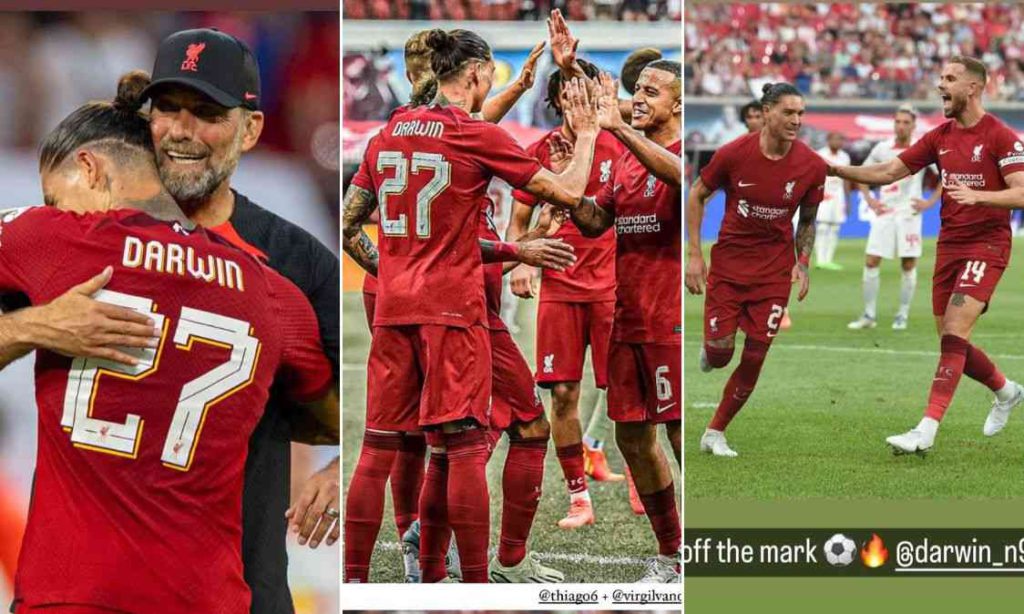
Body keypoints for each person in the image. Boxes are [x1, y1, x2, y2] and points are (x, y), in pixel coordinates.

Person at [4, 72, 336, 614]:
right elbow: (333, 417)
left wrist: (33, 327)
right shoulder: (273, 291)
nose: (54, 210)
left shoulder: (52, 238)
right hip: (208, 599)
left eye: (54, 196)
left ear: (88, 169)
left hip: (75, 598)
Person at [341, 28, 599, 583]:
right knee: (459, 448)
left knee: (379, 447)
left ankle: (363, 582)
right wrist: (592, 134)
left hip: (392, 306)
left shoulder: (387, 134)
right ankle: (479, 581)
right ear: (479, 74)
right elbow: (572, 193)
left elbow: (348, 223)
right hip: (454, 312)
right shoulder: (469, 134)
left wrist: (398, 273)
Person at [830, 56, 1024, 453]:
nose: (941, 85)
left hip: (987, 244)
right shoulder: (939, 137)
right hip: (949, 245)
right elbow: (888, 172)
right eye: (940, 77)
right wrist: (835, 171)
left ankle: (926, 429)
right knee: (952, 342)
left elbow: (1022, 190)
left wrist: (980, 196)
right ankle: (1007, 391)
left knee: (954, 332)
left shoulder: (1001, 136)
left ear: (973, 87)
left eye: (950, 78)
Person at [570, 62, 682, 582]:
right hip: (629, 319)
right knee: (633, 439)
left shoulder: (685, 154)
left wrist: (615, 128)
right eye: (636, 90)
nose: (639, 98)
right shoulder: (627, 163)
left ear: (678, 105)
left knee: (681, 437)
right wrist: (565, 181)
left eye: (652, 93)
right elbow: (594, 220)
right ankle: (671, 554)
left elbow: (680, 179)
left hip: (672, 322)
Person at [506, 58, 627, 531]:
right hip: (561, 286)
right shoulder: (540, 149)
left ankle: (643, 480)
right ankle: (579, 498)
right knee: (561, 393)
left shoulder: (618, 147)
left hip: (612, 287)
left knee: (627, 391)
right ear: (557, 101)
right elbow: (519, 221)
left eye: (588, 95)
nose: (582, 104)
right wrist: (520, 262)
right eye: (572, 95)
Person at [686, 82, 827, 458]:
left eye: (800, 113)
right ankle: (712, 351)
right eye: (788, 112)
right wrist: (695, 254)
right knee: (719, 355)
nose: (796, 120)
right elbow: (697, 193)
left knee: (756, 355)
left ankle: (715, 432)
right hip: (730, 269)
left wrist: (802, 262)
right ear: (766, 112)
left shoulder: (811, 165)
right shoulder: (733, 154)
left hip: (773, 274)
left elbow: (808, 220)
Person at [847, 106, 941, 331]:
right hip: (885, 212)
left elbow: (944, 177)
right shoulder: (882, 148)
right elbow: (862, 173)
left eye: (905, 122)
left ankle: (902, 314)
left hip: (909, 214)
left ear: (913, 125)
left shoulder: (922, 149)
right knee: (871, 261)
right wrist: (869, 199)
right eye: (897, 121)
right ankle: (869, 315)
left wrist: (929, 203)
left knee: (908, 264)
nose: (900, 126)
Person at [814, 132, 851, 270]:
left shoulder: (845, 157)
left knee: (835, 227)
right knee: (822, 227)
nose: (838, 142)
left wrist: (848, 199)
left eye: (841, 139)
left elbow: (847, 178)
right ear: (828, 140)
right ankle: (820, 260)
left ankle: (829, 260)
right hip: (823, 193)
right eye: (835, 139)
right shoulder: (820, 154)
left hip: (838, 195)